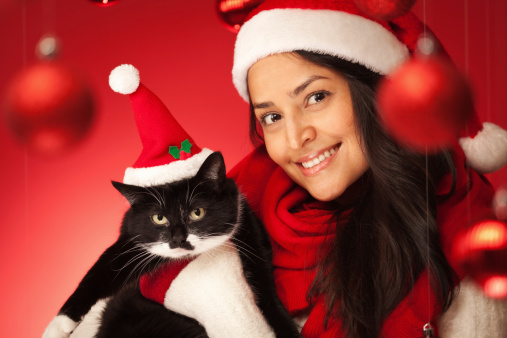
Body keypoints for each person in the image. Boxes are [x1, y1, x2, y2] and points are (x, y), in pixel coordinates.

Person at [228, 0, 507, 337]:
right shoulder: (236, 228)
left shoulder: (468, 242)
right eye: (271, 117)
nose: (295, 138)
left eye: (315, 97)